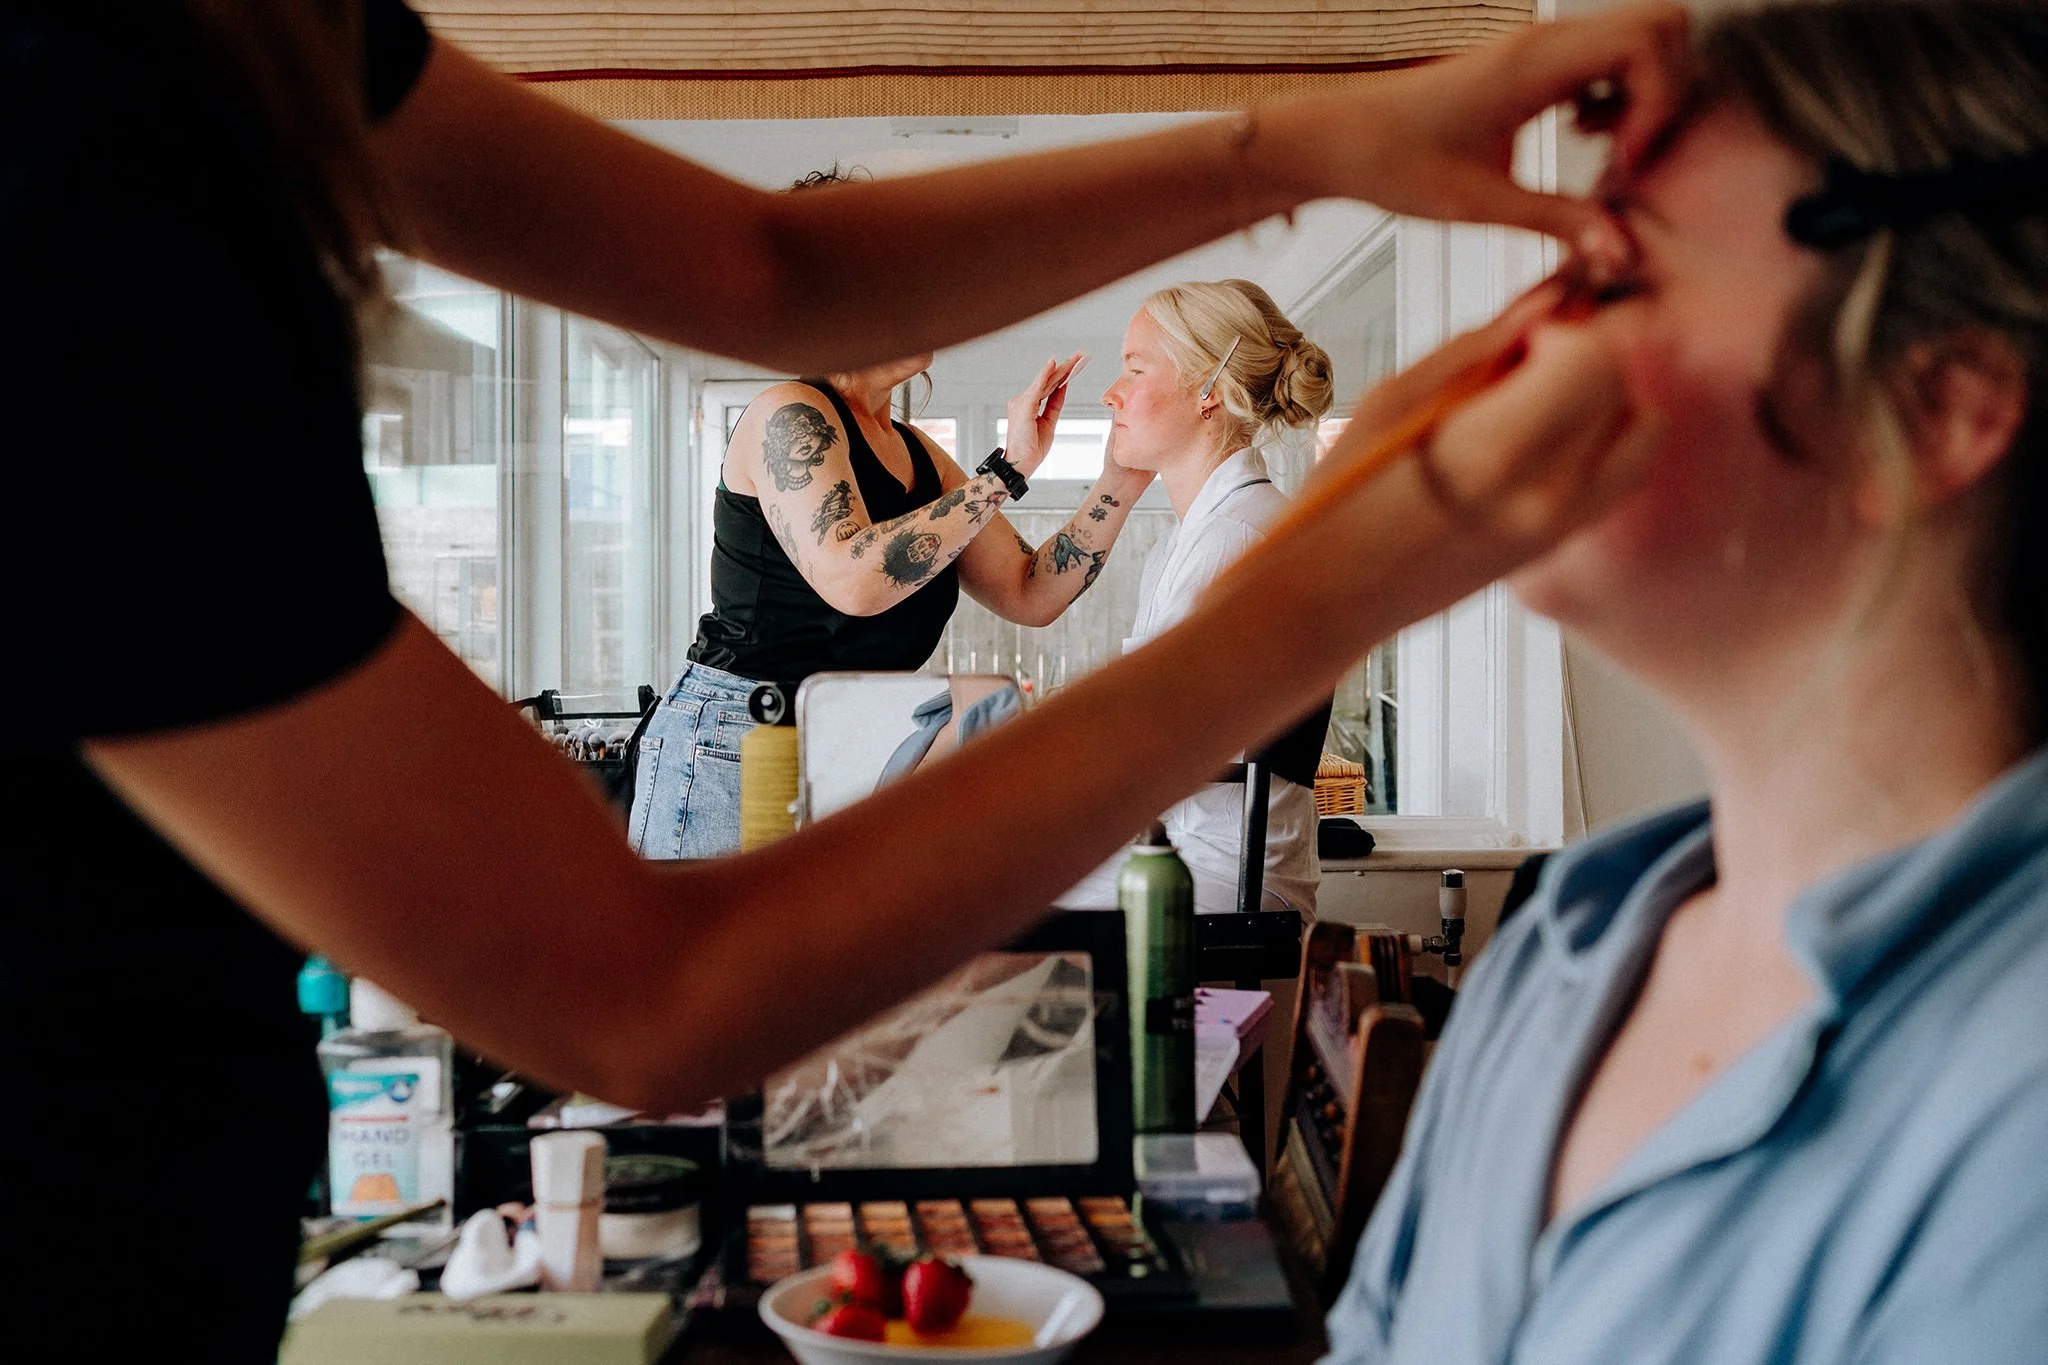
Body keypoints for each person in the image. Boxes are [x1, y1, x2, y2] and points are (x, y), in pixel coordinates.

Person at [5, 0, 1684, 1355]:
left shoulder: (264, 47)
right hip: (714, 748)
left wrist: (1286, 171)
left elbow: (967, 508)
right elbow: (677, 933)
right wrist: (1337, 574)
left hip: (214, 1155)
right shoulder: (785, 414)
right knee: (715, 1117)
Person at [1322, 2, 2047, 1361]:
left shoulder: (2019, 1129)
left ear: (1931, 411)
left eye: (1616, 281)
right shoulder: (1566, 947)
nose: (1518, 351)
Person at [632, 333, 1144, 858]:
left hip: (848, 739)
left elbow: (1029, 591)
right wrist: (1005, 471)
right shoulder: (789, 414)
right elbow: (853, 581)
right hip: (740, 737)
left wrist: (1121, 479)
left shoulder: (919, 452)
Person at [1057, 280, 1335, 914]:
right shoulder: (1192, 538)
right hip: (1187, 853)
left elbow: (1150, 744)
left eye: (1135, 369)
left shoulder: (1235, 539)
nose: (1111, 393)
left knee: (969, 919)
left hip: (1217, 872)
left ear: (1208, 389)